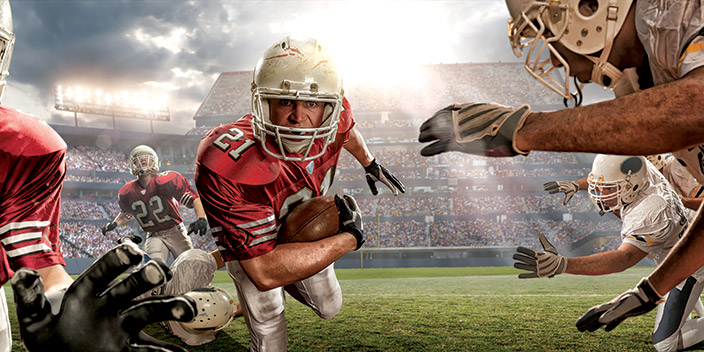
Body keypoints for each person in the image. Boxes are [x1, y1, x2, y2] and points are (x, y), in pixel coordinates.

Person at [417, 0, 704, 331]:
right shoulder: (639, 75)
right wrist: (648, 292)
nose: (554, 58)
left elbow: (695, 108)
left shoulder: (673, 11)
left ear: (589, 9)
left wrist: (523, 130)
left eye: (551, 34)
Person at [0, 1, 197, 350]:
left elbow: (41, 267)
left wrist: (66, 311)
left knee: (175, 262)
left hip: (170, 229)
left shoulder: (22, 148)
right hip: (155, 232)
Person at [195, 36, 405, 351]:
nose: (297, 116)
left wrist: (370, 163)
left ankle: (226, 264)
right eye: (284, 102)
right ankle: (218, 262)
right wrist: (348, 239)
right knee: (268, 316)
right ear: (263, 103)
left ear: (329, 107)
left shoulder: (336, 114)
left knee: (329, 306)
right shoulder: (226, 158)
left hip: (300, 231)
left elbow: (346, 132)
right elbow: (264, 271)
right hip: (254, 246)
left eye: (311, 103)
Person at [527, 155, 704, 350]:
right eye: (600, 186)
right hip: (679, 245)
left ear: (632, 185)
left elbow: (623, 258)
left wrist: (564, 264)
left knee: (665, 344)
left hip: (688, 264)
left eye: (609, 189)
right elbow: (609, 176)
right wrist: (577, 185)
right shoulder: (643, 170)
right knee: (680, 300)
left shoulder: (651, 209)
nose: (601, 193)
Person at [102, 145, 209, 263]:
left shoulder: (167, 180)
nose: (142, 160)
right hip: (154, 235)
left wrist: (201, 218)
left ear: (154, 162)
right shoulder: (127, 192)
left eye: (146, 158)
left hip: (176, 231)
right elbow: (127, 212)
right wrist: (114, 223)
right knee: (154, 267)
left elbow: (194, 199)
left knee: (189, 265)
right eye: (138, 159)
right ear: (133, 165)